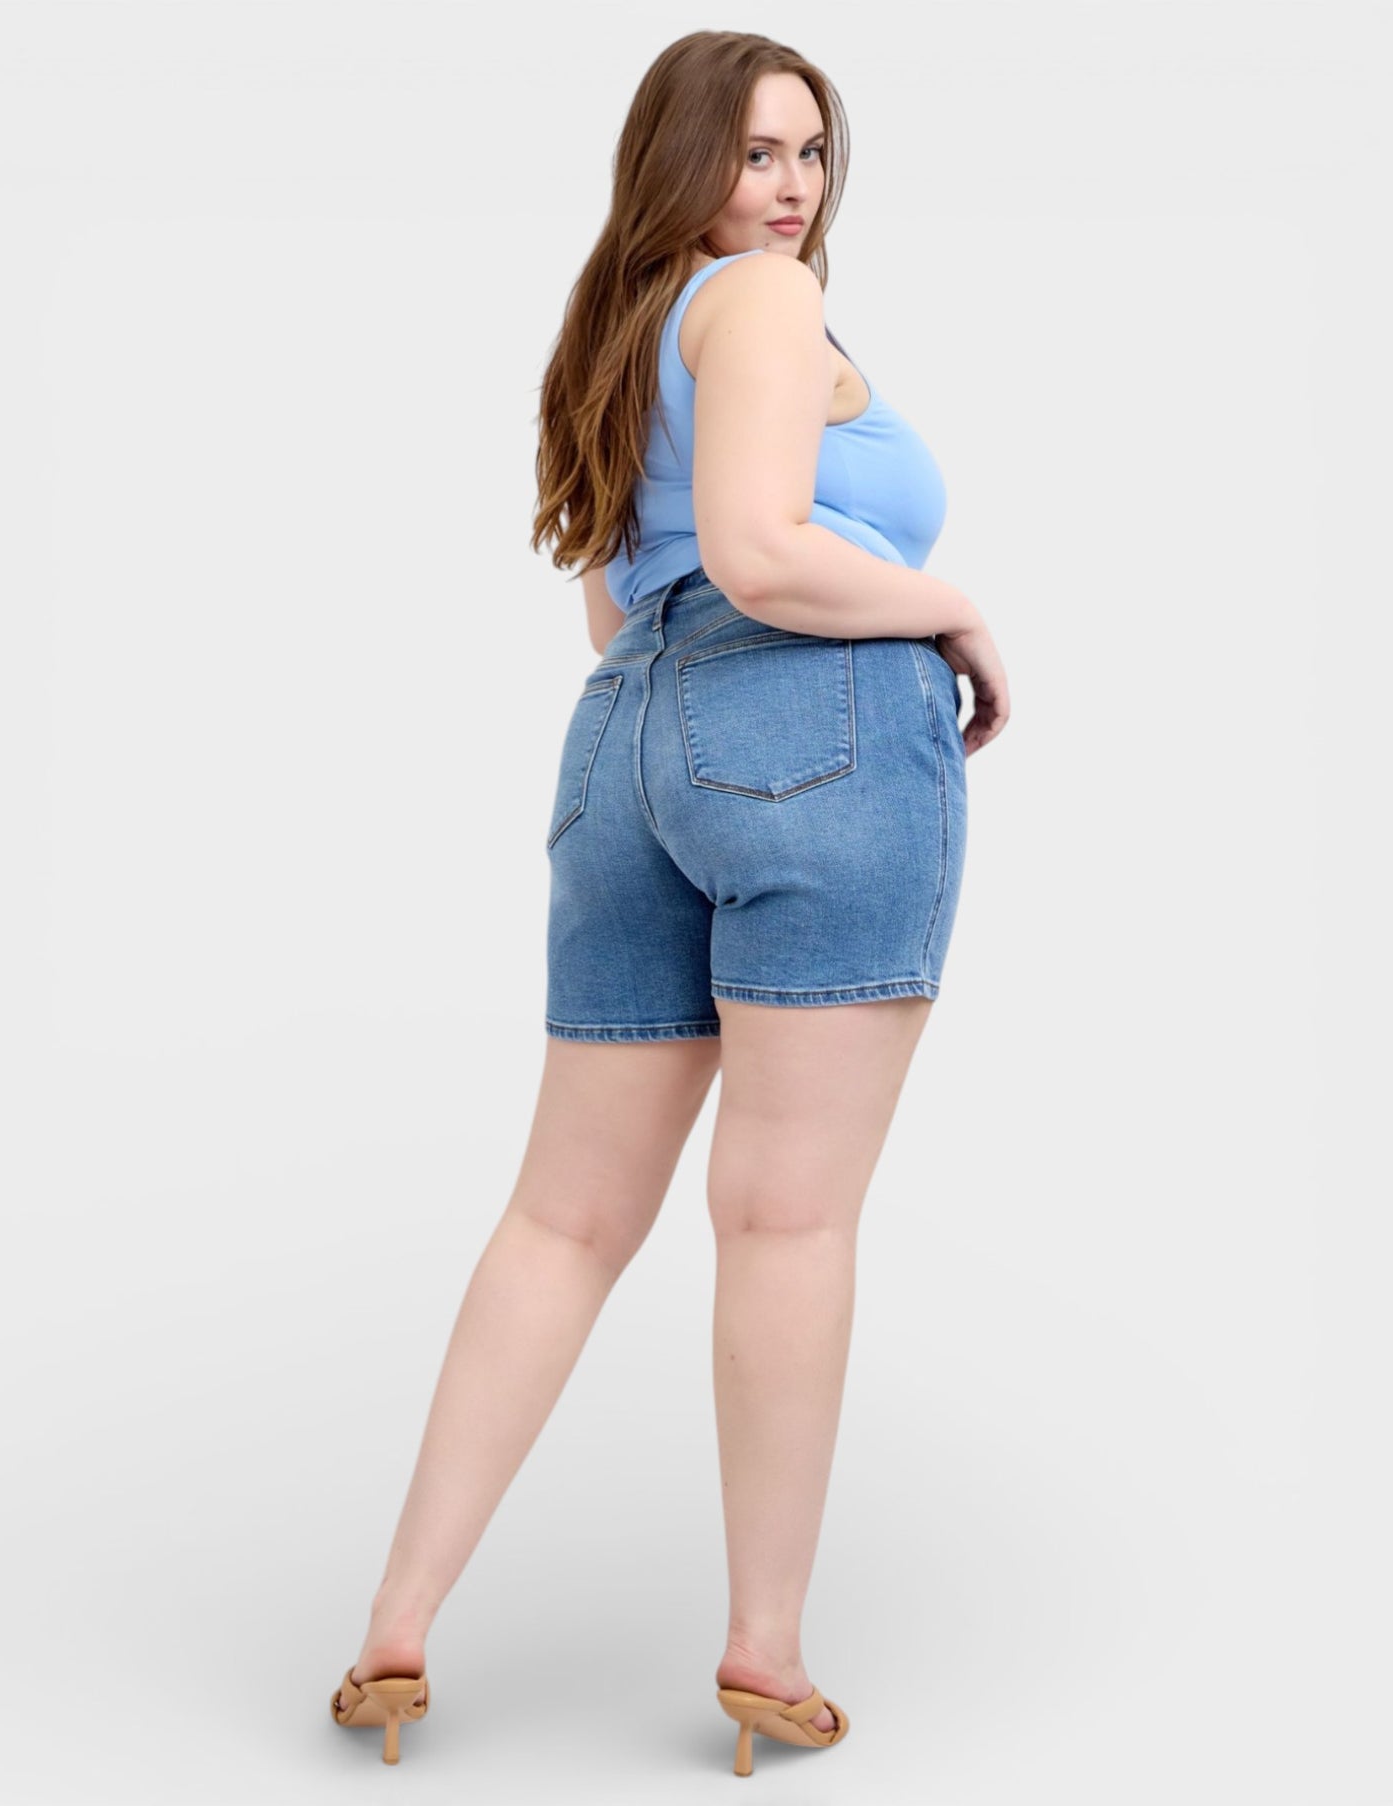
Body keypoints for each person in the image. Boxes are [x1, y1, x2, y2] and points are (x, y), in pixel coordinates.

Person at [330, 28, 1010, 1774]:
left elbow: (618, 602)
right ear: (680, 159)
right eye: (754, 151)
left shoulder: (615, 332)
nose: (789, 188)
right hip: (809, 724)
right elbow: (763, 551)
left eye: (810, 152)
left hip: (626, 746)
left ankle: (395, 1627)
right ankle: (763, 1658)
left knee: (561, 1220)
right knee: (783, 1218)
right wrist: (949, 608)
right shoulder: (766, 304)